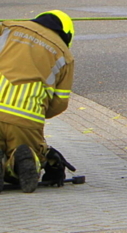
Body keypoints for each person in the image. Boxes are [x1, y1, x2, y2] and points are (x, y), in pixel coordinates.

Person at [0, 10, 75, 193]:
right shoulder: (65, 55)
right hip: (26, 118)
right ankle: (20, 161)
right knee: (32, 153)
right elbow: (60, 103)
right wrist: (40, 110)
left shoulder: (7, 28)